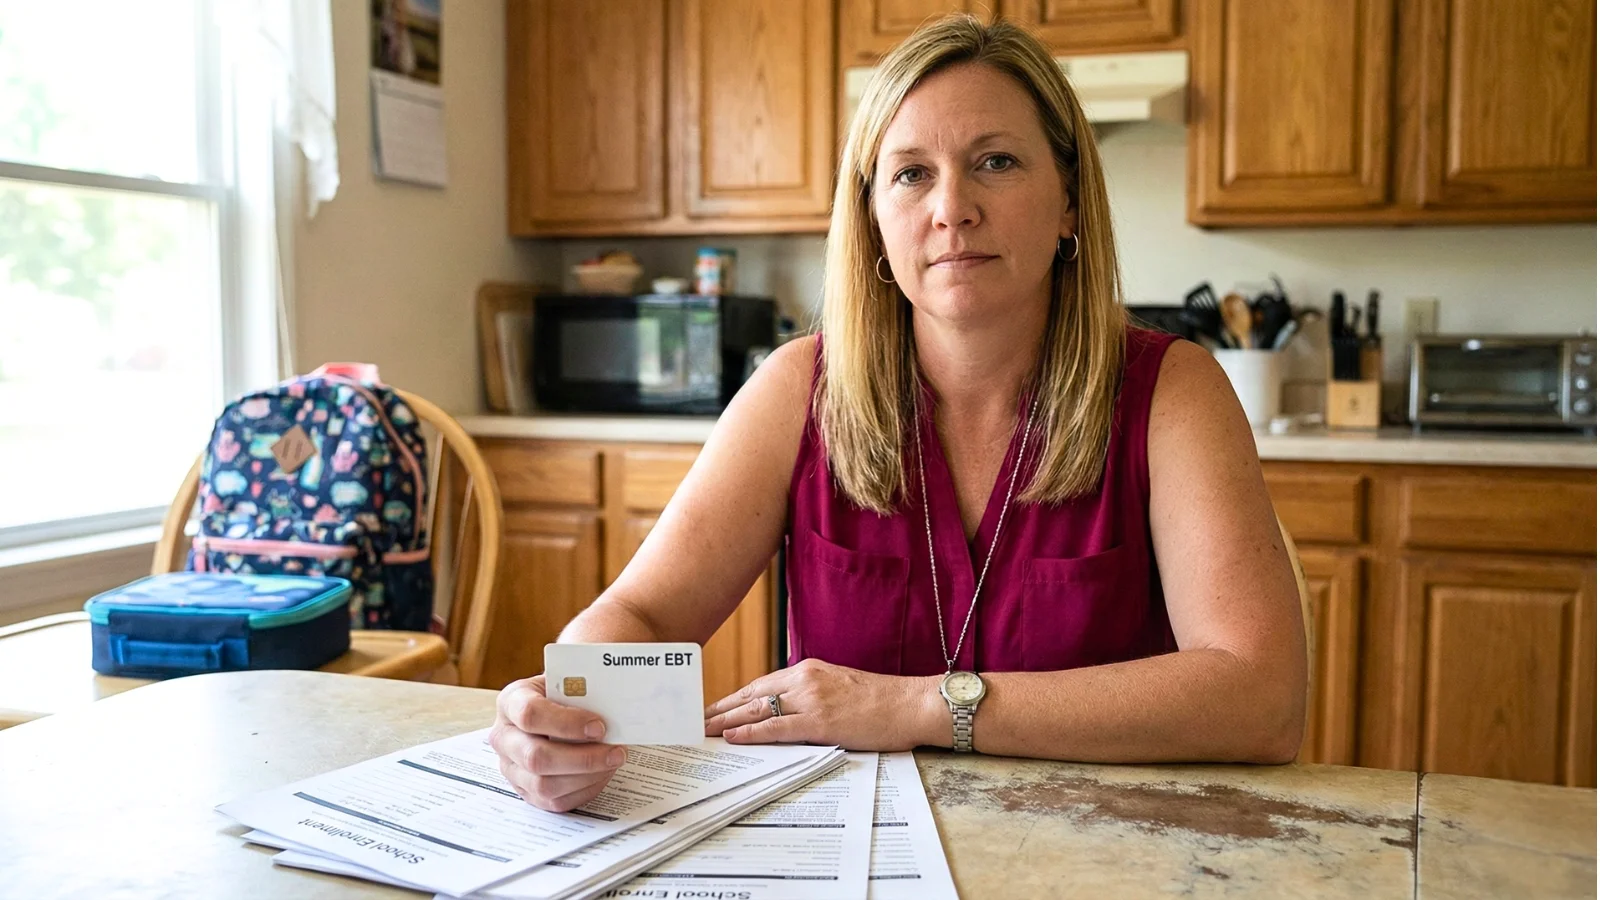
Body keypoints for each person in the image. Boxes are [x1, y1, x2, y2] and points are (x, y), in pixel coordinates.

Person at [490, 15, 1306, 813]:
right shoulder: (795, 389)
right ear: (875, 219)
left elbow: (1261, 697)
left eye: (996, 161)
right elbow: (644, 613)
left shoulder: (1174, 391)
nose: (952, 207)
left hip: (1099, 844)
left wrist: (918, 707)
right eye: (911, 173)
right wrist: (566, 711)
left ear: (1068, 204)